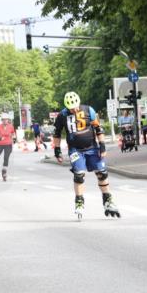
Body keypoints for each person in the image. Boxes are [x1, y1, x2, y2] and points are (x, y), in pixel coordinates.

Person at [52, 91, 119, 219]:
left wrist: (102, 145)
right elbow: (57, 134)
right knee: (79, 175)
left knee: (102, 172)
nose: (74, 109)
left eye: (76, 106)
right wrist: (57, 150)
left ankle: (108, 200)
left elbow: (98, 128)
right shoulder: (62, 115)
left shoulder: (89, 110)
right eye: (71, 108)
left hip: (92, 148)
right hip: (75, 150)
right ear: (66, 106)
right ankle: (79, 202)